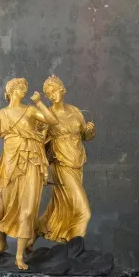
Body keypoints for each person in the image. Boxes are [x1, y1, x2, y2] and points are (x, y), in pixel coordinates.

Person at [0, 78, 58, 270]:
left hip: (31, 162)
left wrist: (39, 102)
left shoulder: (30, 110)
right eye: (22, 86)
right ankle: (2, 243)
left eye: (26, 86)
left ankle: (19, 256)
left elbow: (52, 121)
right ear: (11, 90)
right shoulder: (0, 115)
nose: (25, 90)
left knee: (27, 210)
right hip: (9, 164)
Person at [35, 75, 95, 242]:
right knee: (83, 212)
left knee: (62, 204)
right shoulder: (47, 115)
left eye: (54, 90)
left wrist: (90, 131)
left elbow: (84, 136)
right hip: (61, 163)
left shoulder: (75, 111)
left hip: (77, 162)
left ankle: (34, 233)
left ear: (62, 89)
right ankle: (75, 247)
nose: (52, 95)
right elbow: (39, 143)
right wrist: (42, 169)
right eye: (48, 93)